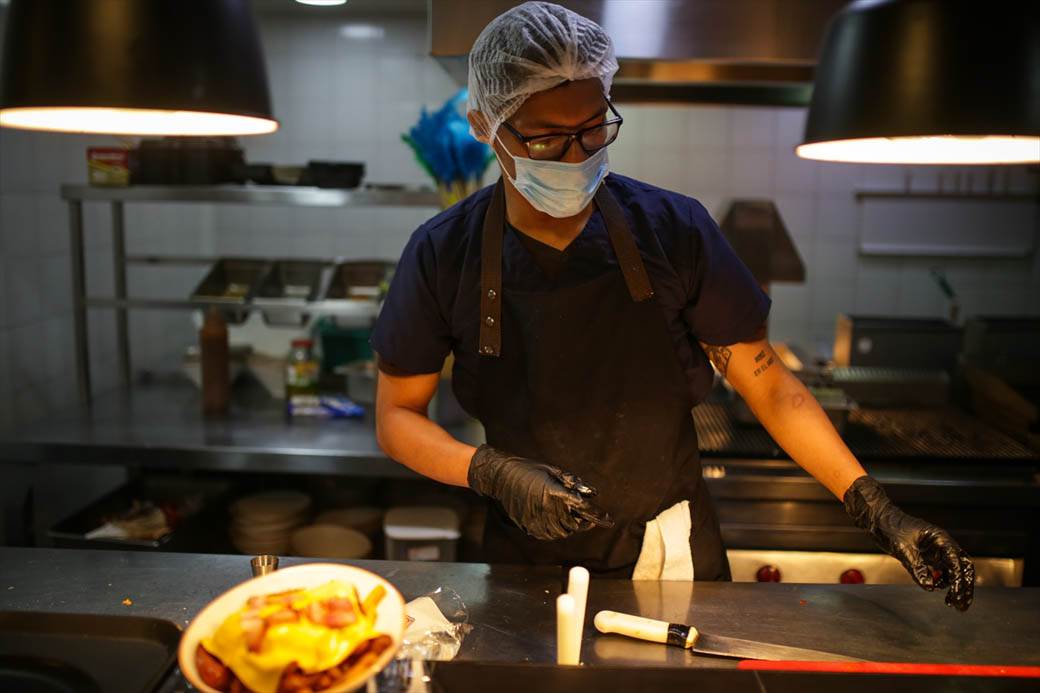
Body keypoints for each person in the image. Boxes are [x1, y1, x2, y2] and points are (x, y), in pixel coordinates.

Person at [372, 1, 974, 609]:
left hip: (672, 555)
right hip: (523, 558)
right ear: (485, 126)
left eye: (592, 130)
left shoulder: (673, 229)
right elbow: (397, 416)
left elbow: (770, 388)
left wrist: (877, 508)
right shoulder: (443, 253)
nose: (577, 157)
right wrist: (491, 472)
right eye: (548, 139)